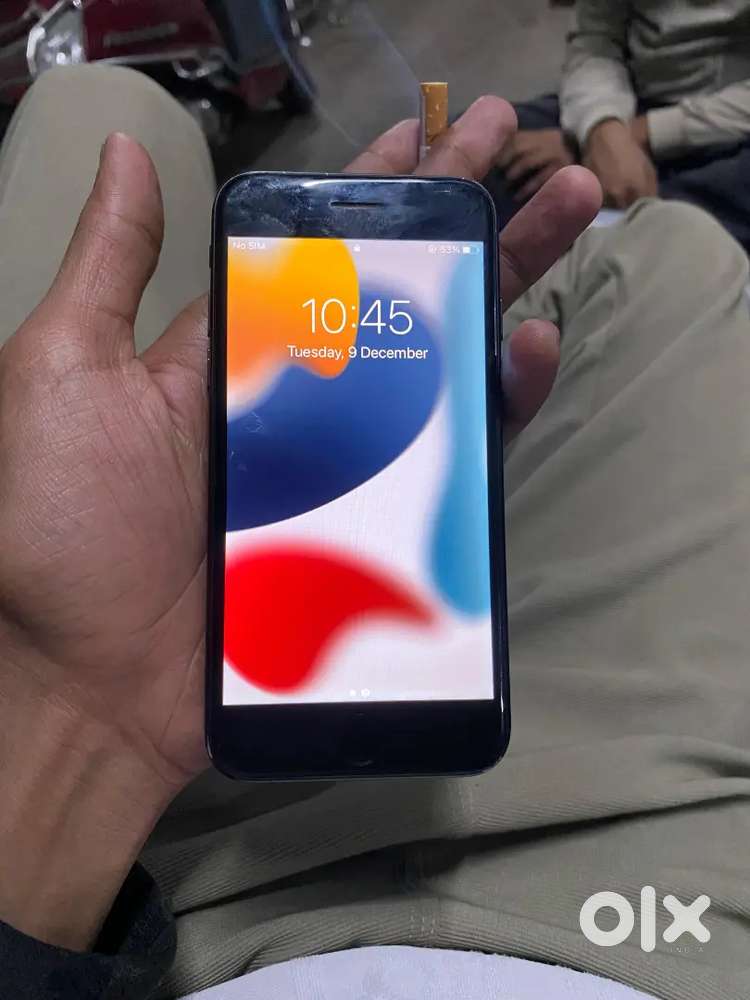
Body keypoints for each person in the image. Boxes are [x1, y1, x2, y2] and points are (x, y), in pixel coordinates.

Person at [0, 64, 749, 1000]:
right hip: (627, 907)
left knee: (95, 101)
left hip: (169, 896)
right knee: (673, 252)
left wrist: (70, 711)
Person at [489, 0, 750, 252]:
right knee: (489, 147)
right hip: (626, 97)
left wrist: (607, 146)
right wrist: (599, 128)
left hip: (728, 125)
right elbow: (595, 43)